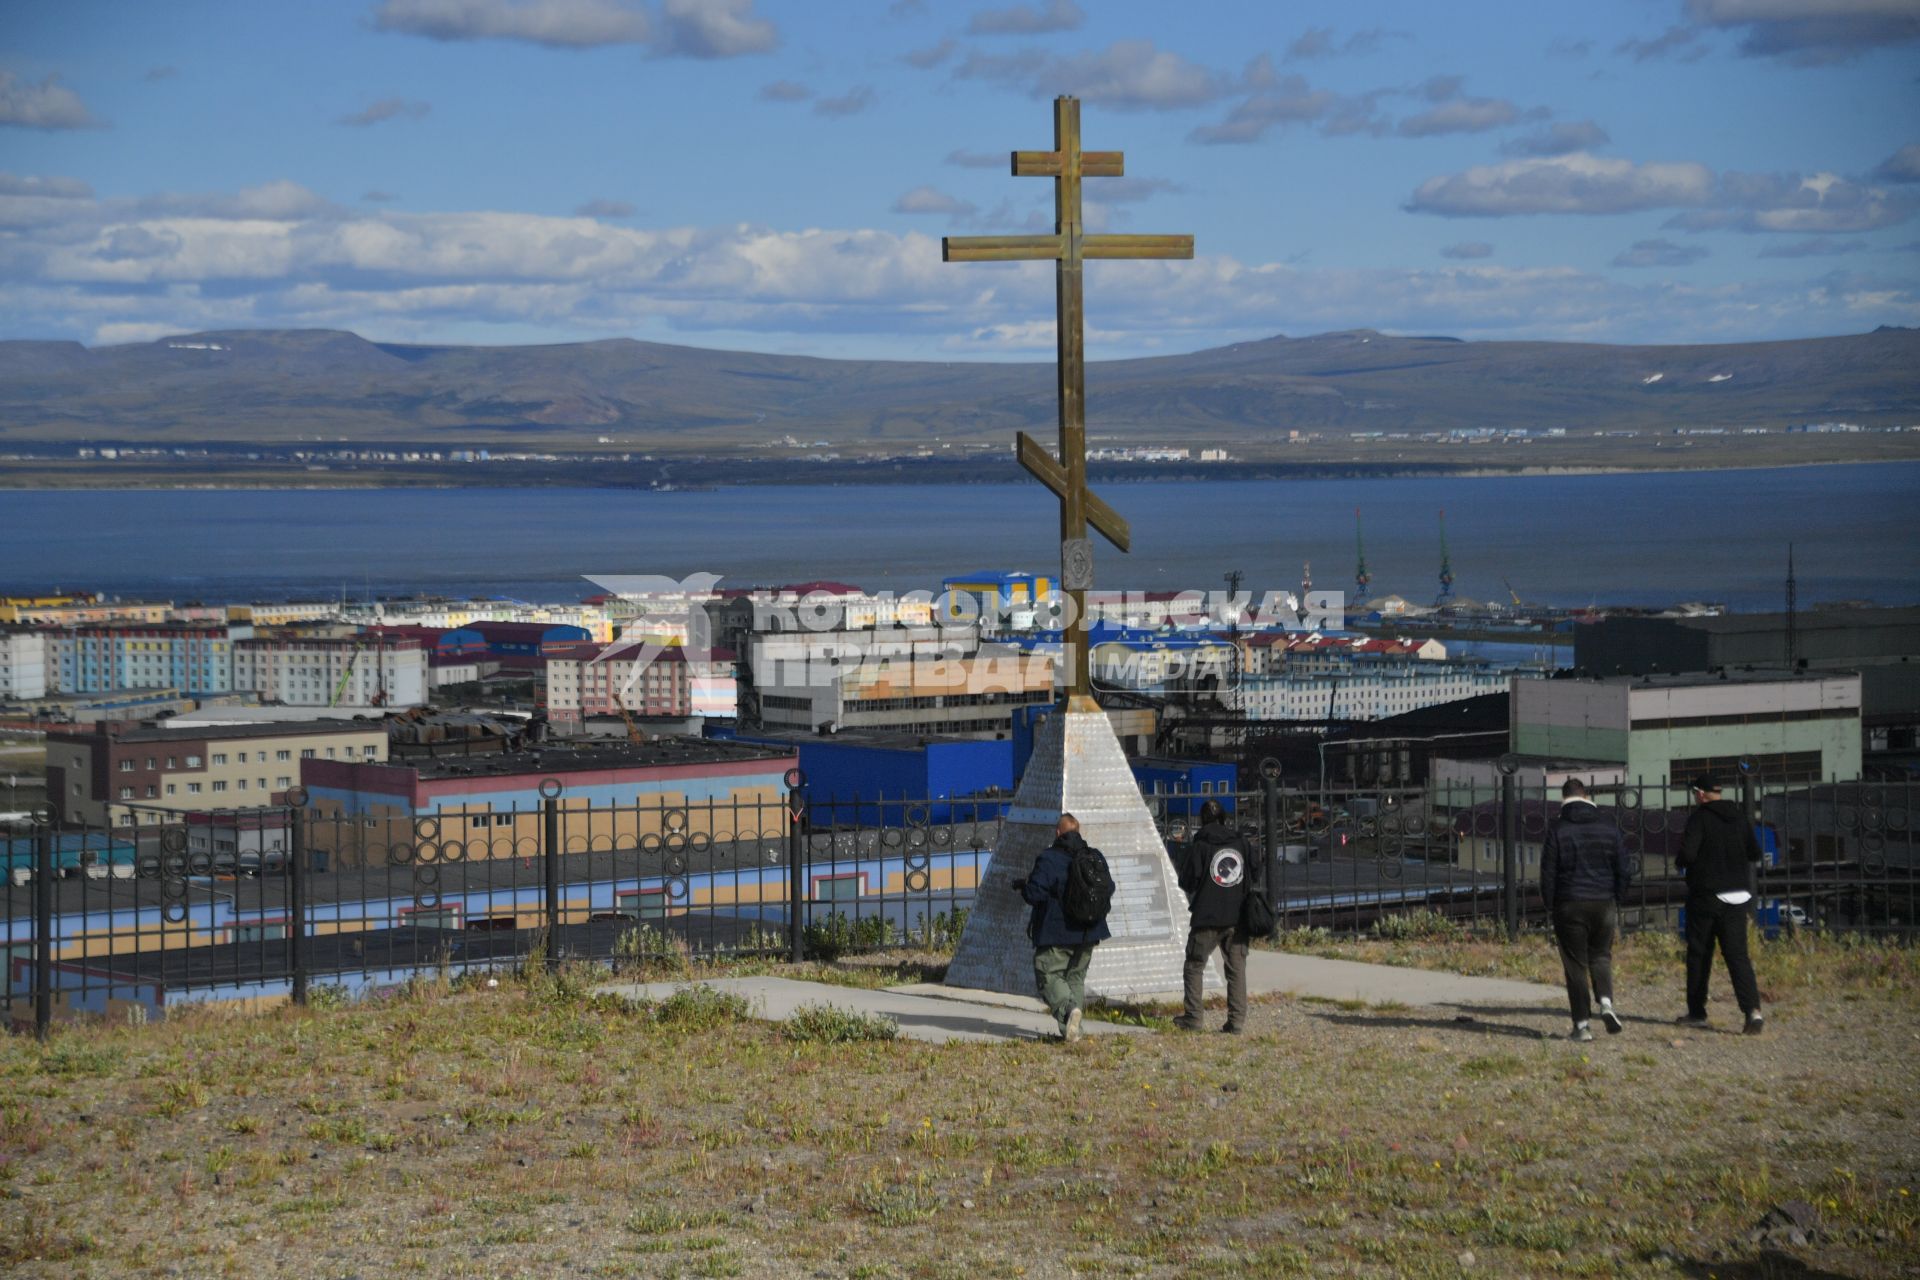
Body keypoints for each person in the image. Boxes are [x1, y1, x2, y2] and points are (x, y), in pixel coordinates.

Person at [1539, 778, 1631, 1042]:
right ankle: (1606, 1003)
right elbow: (1624, 869)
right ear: (1587, 796)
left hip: (1569, 902)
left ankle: (1582, 1025)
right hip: (1603, 901)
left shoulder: (1558, 829)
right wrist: (1617, 898)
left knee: (1575, 965)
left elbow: (1548, 873)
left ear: (1563, 799)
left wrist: (1550, 903)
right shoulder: (1608, 827)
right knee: (1601, 955)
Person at [1675, 775, 1765, 1034]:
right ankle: (1753, 1012)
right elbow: (1754, 853)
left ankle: (1697, 1012)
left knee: (1700, 954)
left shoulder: (1699, 818)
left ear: (1701, 794)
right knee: (1737, 956)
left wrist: (1683, 861)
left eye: (1695, 793)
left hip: (1707, 894)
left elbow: (1688, 854)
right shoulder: (1738, 817)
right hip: (1738, 896)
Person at [1011, 813, 1110, 1042]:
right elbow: (1108, 888)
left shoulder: (1049, 858)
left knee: (1047, 973)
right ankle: (1073, 1033)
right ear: (1078, 832)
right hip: (1090, 931)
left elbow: (1035, 893)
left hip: (1058, 932)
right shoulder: (1095, 857)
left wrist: (1024, 887)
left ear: (1058, 833)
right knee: (1075, 978)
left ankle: (1067, 1010)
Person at [1174, 799, 1251, 1034]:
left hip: (1207, 916)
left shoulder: (1200, 846)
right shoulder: (1241, 843)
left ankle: (1194, 1018)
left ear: (1202, 820)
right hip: (1238, 916)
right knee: (1236, 969)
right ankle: (1236, 1022)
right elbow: (1254, 871)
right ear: (1224, 818)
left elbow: (1187, 880)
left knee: (1195, 965)